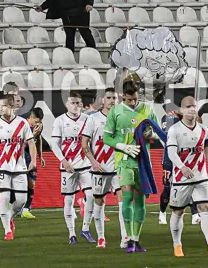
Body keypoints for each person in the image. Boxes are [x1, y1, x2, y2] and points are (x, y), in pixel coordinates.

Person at [166, 96, 208, 258]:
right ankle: (177, 245)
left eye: (194, 106)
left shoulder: (204, 130)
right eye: (188, 106)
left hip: (201, 177)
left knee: (206, 208)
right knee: (178, 212)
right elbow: (171, 152)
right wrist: (182, 167)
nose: (192, 109)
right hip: (181, 179)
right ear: (182, 110)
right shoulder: (175, 130)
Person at [103, 80, 158, 253]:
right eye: (129, 100)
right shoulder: (116, 111)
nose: (133, 103)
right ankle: (127, 239)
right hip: (124, 161)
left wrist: (151, 135)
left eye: (135, 99)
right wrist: (124, 147)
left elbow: (157, 133)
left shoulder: (148, 109)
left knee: (140, 201)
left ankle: (136, 239)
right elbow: (107, 138)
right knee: (126, 198)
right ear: (123, 97)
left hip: (142, 162)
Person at [0, 94, 38, 241]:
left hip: (19, 167)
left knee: (21, 201)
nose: (0, 108)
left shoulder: (22, 123)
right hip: (2, 167)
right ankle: (7, 230)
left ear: (12, 106)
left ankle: (9, 217)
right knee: (3, 198)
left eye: (3, 105)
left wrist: (33, 160)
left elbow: (31, 143)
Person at [81, 88, 128, 249]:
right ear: (102, 100)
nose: (111, 100)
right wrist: (93, 162)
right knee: (99, 201)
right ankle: (101, 237)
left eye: (114, 98)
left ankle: (125, 236)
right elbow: (84, 144)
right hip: (99, 168)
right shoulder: (92, 119)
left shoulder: (122, 119)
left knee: (123, 200)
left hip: (118, 167)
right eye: (108, 97)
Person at [51, 91, 94, 245]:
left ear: (81, 104)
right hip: (68, 167)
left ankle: (85, 229)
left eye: (77, 103)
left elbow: (94, 142)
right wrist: (63, 161)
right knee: (69, 200)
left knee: (92, 196)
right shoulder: (60, 121)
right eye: (72, 103)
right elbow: (54, 144)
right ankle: (71, 234)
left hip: (86, 165)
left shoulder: (88, 119)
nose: (75, 106)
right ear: (66, 104)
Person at [159, 111, 202, 226]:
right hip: (169, 157)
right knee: (168, 187)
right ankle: (162, 213)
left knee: (191, 185)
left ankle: (195, 215)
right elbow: (166, 138)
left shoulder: (189, 119)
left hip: (185, 157)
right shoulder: (169, 118)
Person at [20, 107, 46, 219]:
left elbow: (39, 140)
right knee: (20, 183)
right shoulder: (23, 125)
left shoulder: (39, 126)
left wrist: (41, 156)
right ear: (31, 117)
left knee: (32, 183)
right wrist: (33, 134)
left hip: (32, 157)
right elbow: (23, 146)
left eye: (40, 121)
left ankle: (26, 209)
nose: (38, 123)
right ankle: (14, 205)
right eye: (36, 121)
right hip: (21, 157)